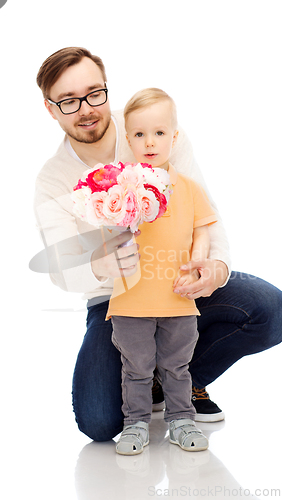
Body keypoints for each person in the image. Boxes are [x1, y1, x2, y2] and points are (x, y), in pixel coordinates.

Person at [34, 47, 282, 442]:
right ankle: (148, 374)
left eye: (94, 93)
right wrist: (99, 266)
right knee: (100, 422)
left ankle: (174, 382)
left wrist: (216, 266)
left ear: (106, 88)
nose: (86, 108)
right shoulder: (52, 180)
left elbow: (203, 208)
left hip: (177, 281)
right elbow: (59, 266)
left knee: (270, 311)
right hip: (115, 300)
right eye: (69, 101)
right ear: (51, 109)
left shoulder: (151, 126)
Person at [108, 88, 216, 455]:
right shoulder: (119, 188)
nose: (149, 142)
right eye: (139, 134)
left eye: (158, 133)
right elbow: (105, 233)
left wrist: (197, 263)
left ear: (174, 136)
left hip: (178, 297)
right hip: (131, 300)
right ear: (128, 139)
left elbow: (203, 228)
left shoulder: (188, 189)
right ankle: (135, 425)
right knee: (135, 369)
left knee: (176, 366)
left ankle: (181, 420)